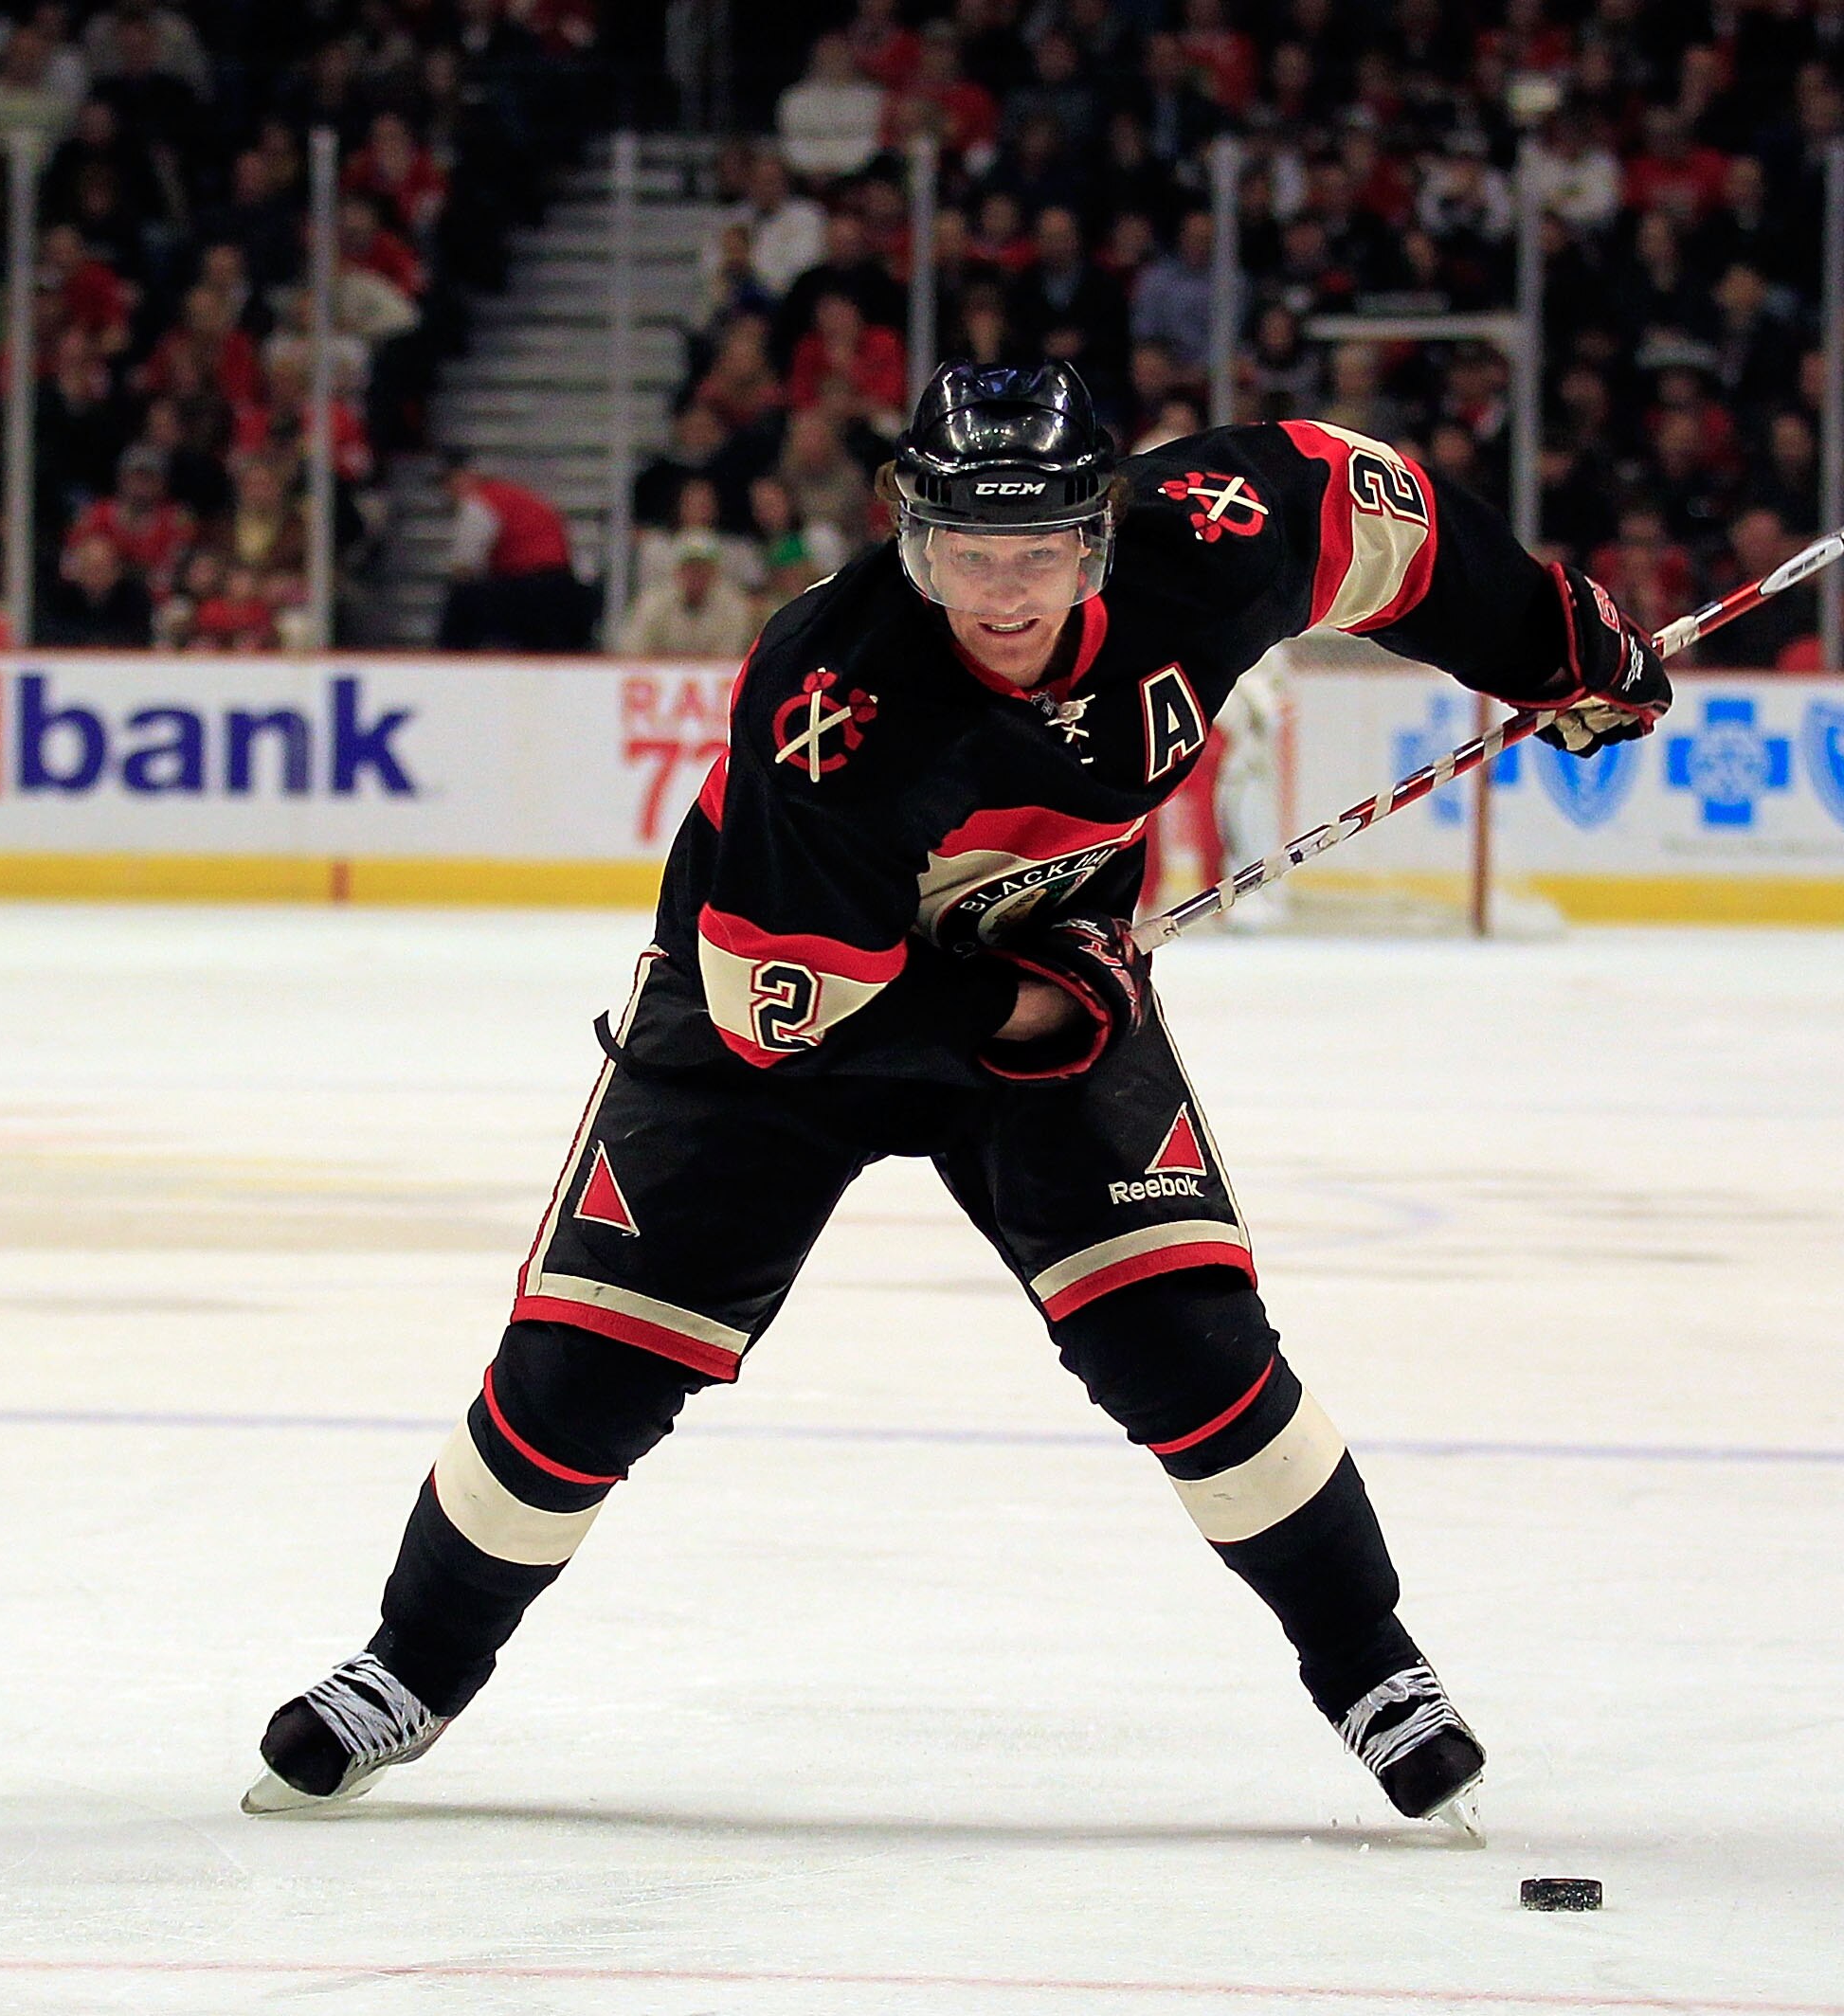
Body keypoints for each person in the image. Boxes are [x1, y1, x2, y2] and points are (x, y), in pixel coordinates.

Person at [244, 361, 1672, 1832]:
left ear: (1102, 533)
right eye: (966, 556)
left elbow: (1391, 517)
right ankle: (412, 1661)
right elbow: (780, 1003)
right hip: (781, 1020)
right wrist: (1035, 1001)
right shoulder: (833, 691)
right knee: (588, 1370)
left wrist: (1557, 644)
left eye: (1039, 552)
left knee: (1188, 1342)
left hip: (1048, 957)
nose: (1001, 593)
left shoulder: (1218, 534)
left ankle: (1372, 1666)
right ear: (912, 541)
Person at [436, 452, 595, 652]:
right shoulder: (516, 495)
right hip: (560, 585)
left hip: (530, 586)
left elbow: (464, 562)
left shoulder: (481, 503)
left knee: (463, 600)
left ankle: (450, 658)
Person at [611, 531, 759, 658]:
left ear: (715, 573)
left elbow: (729, 658)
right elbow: (632, 650)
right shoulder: (654, 602)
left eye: (703, 568)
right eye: (690, 567)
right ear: (678, 571)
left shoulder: (732, 606)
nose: (696, 574)